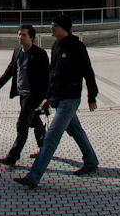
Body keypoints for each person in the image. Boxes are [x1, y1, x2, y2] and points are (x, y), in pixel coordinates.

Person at [14, 13, 98, 188]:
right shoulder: (55, 46)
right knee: (76, 131)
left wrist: (92, 97)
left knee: (51, 138)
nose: (51, 28)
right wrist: (48, 97)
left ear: (63, 28)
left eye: (54, 25)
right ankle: (91, 161)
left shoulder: (77, 46)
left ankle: (34, 176)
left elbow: (88, 72)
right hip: (59, 99)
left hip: (70, 99)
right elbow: (54, 75)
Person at [0, 24, 49, 166]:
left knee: (22, 125)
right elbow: (11, 69)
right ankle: (45, 147)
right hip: (22, 95)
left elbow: (47, 77)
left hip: (33, 96)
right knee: (34, 121)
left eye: (23, 35)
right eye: (19, 34)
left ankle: (12, 156)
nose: (20, 37)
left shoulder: (40, 54)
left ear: (31, 37)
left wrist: (47, 97)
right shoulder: (17, 51)